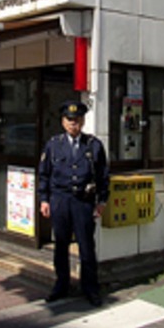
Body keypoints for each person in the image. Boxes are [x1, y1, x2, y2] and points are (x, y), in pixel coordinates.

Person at [38, 100, 110, 307]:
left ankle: (90, 289)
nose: (73, 124)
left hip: (83, 202)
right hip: (60, 200)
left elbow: (103, 175)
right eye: (70, 120)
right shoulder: (53, 145)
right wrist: (44, 199)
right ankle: (61, 285)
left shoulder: (94, 145)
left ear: (83, 121)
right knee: (60, 245)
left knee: (86, 247)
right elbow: (44, 175)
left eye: (77, 120)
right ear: (63, 122)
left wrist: (102, 200)